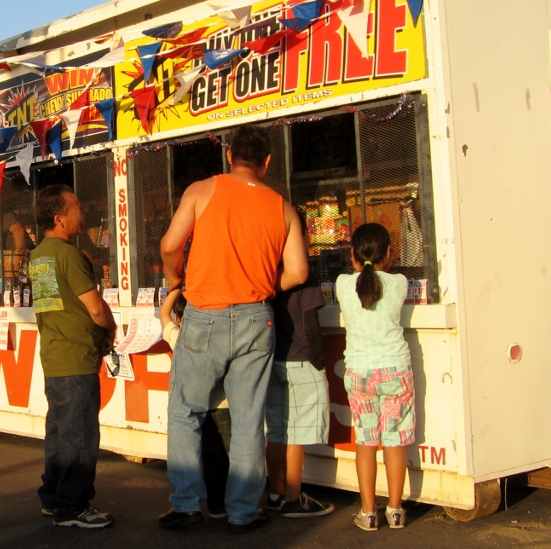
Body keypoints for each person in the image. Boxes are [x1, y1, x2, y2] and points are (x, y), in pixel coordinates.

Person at [159, 124, 308, 533]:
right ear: (267, 163)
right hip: (257, 318)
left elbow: (170, 245)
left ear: (229, 156)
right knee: (248, 419)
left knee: (185, 410)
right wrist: (260, 286)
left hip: (204, 315)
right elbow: (297, 271)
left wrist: (176, 281)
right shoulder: (283, 208)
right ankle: (243, 512)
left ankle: (188, 504)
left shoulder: (201, 191)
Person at [30, 184, 117, 529]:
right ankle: (73, 506)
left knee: (59, 435)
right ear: (59, 218)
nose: (83, 212)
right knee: (79, 437)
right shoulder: (69, 255)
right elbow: (95, 309)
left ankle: (54, 498)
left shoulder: (38, 256)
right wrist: (110, 329)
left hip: (55, 355)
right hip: (76, 357)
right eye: (76, 207)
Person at [335, 222, 415, 531]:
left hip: (360, 375)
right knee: (395, 441)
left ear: (352, 255)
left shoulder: (343, 284)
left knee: (366, 442)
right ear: (390, 254)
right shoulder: (400, 283)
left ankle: (368, 513)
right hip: (395, 372)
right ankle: (395, 510)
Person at [265, 210, 334, 519]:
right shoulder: (304, 272)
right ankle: (295, 497)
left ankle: (276, 492)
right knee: (296, 433)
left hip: (273, 360)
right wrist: (318, 360)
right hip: (301, 359)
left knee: (277, 431)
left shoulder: (267, 270)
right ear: (300, 237)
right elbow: (310, 321)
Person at [159, 288, 230, 519]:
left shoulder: (178, 337)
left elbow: (163, 314)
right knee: (224, 459)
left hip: (194, 409)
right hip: (223, 407)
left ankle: (193, 501)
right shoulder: (219, 338)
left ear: (180, 319)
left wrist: (176, 288)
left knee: (198, 456)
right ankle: (222, 505)